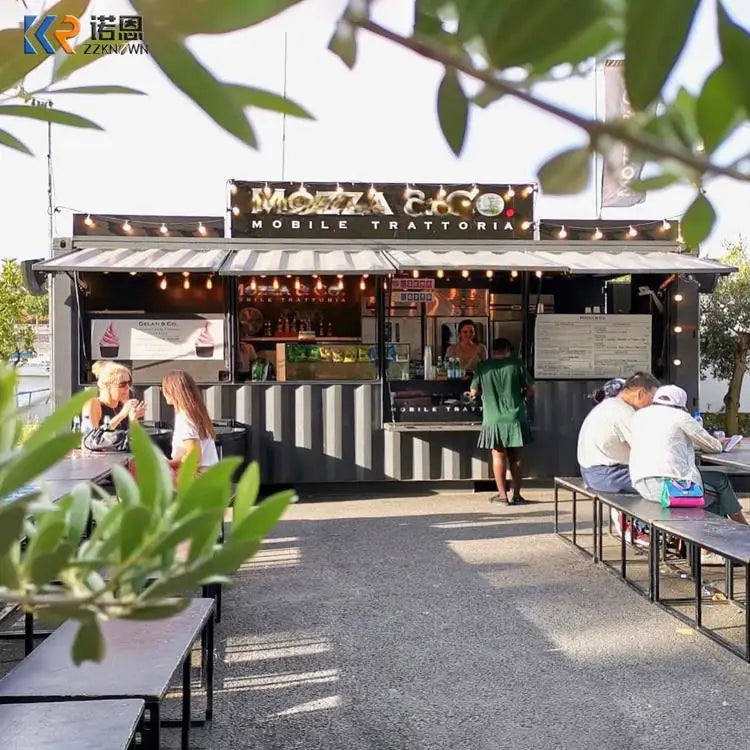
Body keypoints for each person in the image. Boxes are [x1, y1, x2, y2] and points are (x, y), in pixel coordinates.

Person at [629, 384, 748, 562]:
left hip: (641, 482)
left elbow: (667, 443)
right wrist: (720, 442)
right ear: (681, 403)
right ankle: (709, 549)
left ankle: (739, 532)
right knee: (714, 495)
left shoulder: (639, 416)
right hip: (668, 486)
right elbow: (713, 446)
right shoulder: (680, 417)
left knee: (719, 480)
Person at [470, 337, 533, 505]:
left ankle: (503, 496)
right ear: (508, 350)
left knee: (498, 456)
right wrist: (522, 399)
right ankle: (517, 495)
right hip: (515, 417)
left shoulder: (482, 367)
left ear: (492, 351)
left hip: (493, 417)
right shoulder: (517, 365)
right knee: (516, 456)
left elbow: (474, 391)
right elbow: (531, 389)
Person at [577, 372, 660, 494]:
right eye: (652, 397)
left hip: (591, 472)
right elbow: (644, 448)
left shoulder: (610, 405)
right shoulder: (624, 411)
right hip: (608, 475)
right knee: (663, 484)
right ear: (640, 394)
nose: (653, 403)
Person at [162, 370, 219, 472]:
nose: (163, 392)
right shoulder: (196, 414)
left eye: (165, 388)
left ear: (174, 391)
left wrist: (167, 464)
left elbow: (194, 459)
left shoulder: (184, 418)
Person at [82, 361, 145, 430]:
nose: (127, 388)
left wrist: (133, 419)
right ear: (108, 386)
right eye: (122, 384)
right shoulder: (94, 404)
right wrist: (121, 415)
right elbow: (92, 437)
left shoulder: (123, 405)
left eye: (129, 383)